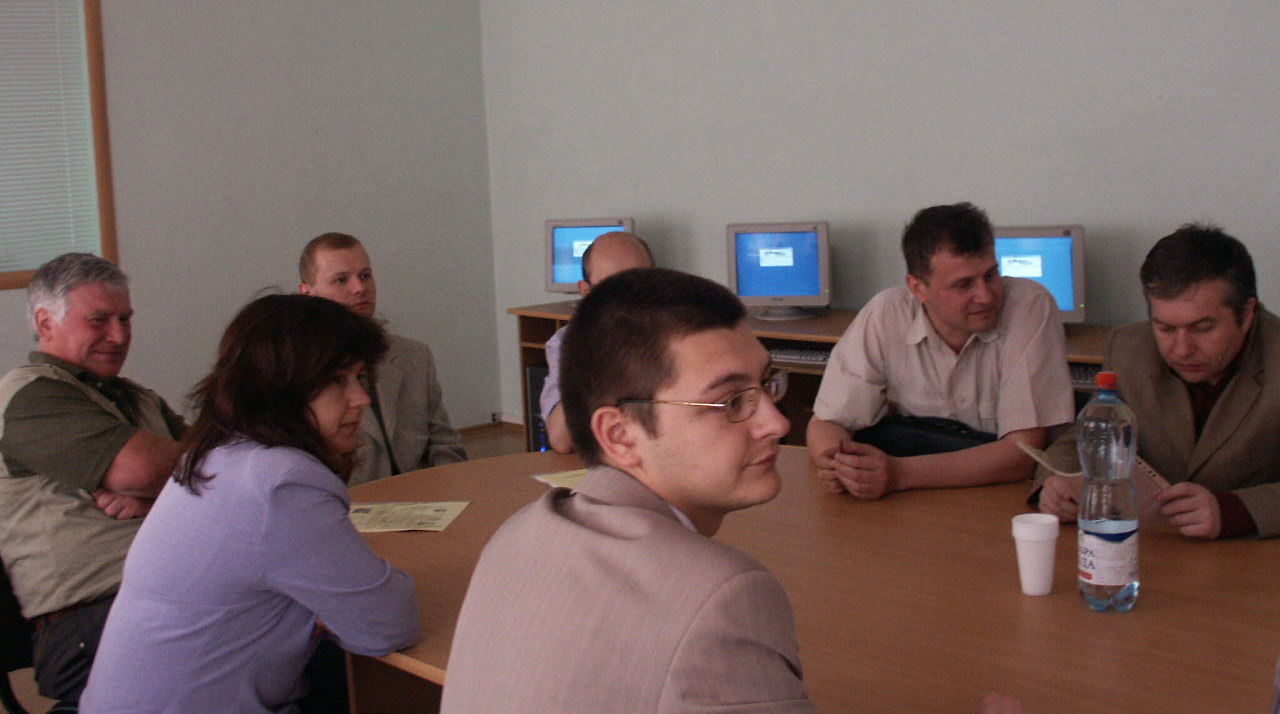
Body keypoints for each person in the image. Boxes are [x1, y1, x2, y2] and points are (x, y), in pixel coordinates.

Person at [441, 268, 1024, 714]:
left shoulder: (515, 534)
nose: (776, 422)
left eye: (766, 384)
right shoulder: (721, 595)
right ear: (620, 435)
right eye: (729, 401)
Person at [80, 293, 420, 714]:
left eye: (359, 377)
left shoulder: (219, 453)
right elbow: (389, 626)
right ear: (280, 387)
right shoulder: (280, 485)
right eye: (338, 380)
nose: (361, 398)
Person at [0, 254, 185, 710]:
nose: (119, 336)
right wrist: (170, 480)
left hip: (169, 599)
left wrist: (154, 500)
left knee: (312, 647)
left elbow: (229, 470)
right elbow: (145, 469)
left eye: (125, 319)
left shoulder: (137, 397)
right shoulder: (29, 395)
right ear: (45, 323)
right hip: (93, 618)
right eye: (99, 320)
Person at [807, 203, 1074, 500]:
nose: (986, 296)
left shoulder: (1029, 306)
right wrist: (841, 466)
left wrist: (898, 474)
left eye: (990, 275)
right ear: (918, 288)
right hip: (915, 495)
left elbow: (1023, 456)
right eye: (964, 284)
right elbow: (828, 422)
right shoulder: (886, 313)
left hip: (1002, 494)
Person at [1039, 224, 1280, 539]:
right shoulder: (1128, 347)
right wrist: (1056, 486)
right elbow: (1085, 436)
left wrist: (1236, 510)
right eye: (1165, 328)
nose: (1181, 349)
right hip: (1149, 543)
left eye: (1203, 328)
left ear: (1247, 315)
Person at [298, 232, 465, 484]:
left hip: (426, 496)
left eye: (365, 276)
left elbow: (444, 443)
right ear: (307, 293)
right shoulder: (299, 368)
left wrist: (453, 490)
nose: (359, 288)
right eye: (341, 280)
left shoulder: (413, 355)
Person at [539, 230, 654, 453]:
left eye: (641, 281)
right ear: (587, 291)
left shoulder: (684, 336)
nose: (631, 297)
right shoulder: (567, 343)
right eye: (613, 287)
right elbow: (562, 440)